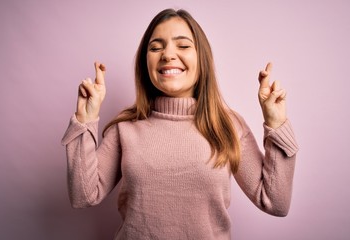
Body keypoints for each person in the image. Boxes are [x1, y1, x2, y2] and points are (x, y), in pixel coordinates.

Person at [61, 8, 298, 240]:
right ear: (146, 63)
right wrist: (85, 120)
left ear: (202, 59)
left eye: (183, 45)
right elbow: (83, 195)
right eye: (156, 47)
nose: (167, 54)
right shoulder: (125, 127)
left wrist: (276, 125)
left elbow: (275, 202)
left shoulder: (228, 125)